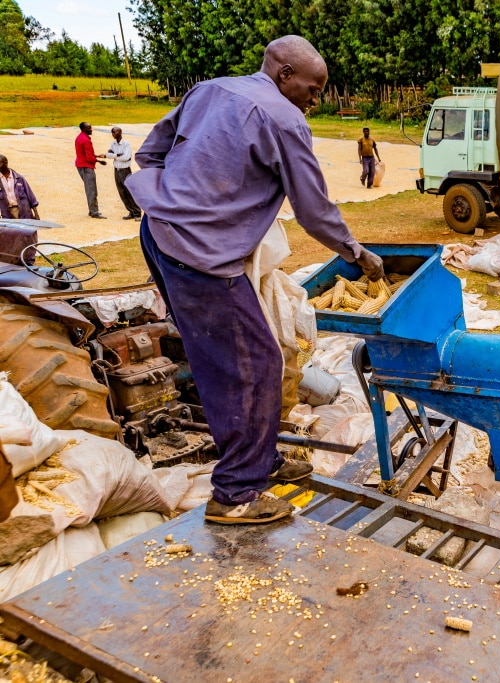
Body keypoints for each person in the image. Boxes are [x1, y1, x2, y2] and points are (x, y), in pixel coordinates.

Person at [126, 35, 384, 526]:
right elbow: (313, 209)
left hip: (157, 234)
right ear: (285, 74)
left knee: (229, 358)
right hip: (200, 256)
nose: (317, 98)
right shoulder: (285, 119)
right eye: (314, 87)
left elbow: (151, 152)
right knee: (253, 365)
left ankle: (259, 460)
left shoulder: (210, 89)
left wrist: (173, 201)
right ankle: (236, 494)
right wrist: (357, 253)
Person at [106, 127, 142, 220]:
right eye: (112, 132)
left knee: (129, 191)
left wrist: (114, 155)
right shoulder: (113, 144)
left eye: (115, 132)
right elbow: (108, 155)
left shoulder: (126, 144)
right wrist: (117, 155)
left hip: (125, 170)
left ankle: (137, 213)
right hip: (116, 170)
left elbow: (126, 157)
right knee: (121, 192)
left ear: (120, 132)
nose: (113, 134)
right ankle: (131, 211)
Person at [74, 122, 107, 219]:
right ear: (84, 129)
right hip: (86, 167)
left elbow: (85, 153)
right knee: (91, 189)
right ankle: (94, 212)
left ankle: (92, 210)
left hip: (81, 165)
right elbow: (89, 157)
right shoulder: (86, 140)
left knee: (90, 188)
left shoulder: (79, 137)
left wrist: (96, 156)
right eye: (89, 128)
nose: (91, 129)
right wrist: (99, 161)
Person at [0, 154, 40, 220]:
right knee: (11, 230)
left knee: (28, 229)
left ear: (5, 163)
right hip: (7, 213)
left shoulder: (19, 178)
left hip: (24, 211)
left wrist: (36, 214)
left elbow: (31, 196)